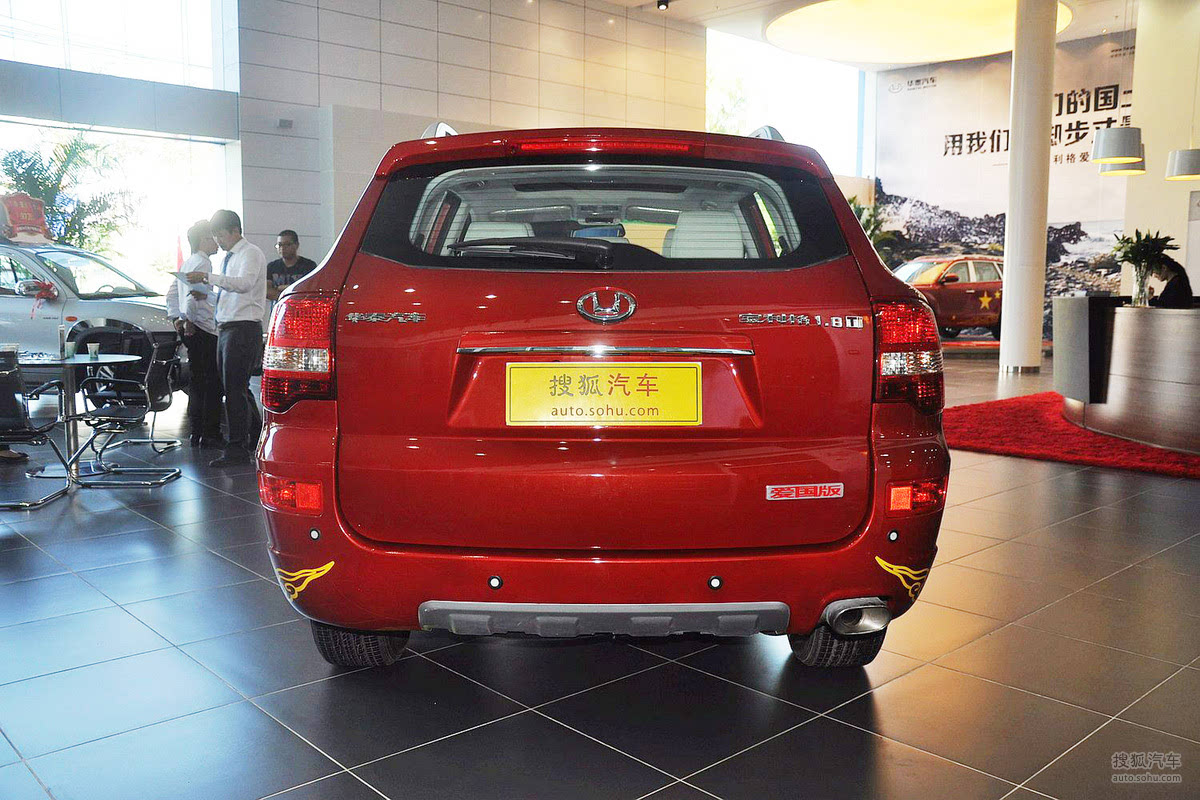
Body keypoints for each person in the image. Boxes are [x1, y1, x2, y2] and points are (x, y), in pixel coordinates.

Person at [186, 210, 266, 467]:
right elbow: (230, 292)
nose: (218, 241)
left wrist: (207, 278)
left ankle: (237, 449)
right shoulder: (229, 258)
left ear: (234, 231)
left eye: (221, 235)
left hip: (243, 328)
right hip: (228, 327)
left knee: (234, 390)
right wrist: (208, 295)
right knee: (235, 388)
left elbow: (244, 284)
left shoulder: (250, 253)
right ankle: (255, 436)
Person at [167, 220, 223, 447]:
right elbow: (194, 296)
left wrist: (177, 319)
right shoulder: (203, 263)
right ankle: (210, 433)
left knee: (197, 381)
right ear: (203, 240)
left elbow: (172, 294)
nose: (217, 242)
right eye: (213, 237)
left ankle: (196, 431)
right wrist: (188, 320)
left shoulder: (188, 262)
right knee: (213, 383)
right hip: (204, 328)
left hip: (191, 329)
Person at [267, 229, 317, 302]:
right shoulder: (272, 266)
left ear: (296, 245)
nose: (282, 248)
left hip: (301, 305)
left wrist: (282, 288)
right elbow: (267, 291)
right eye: (280, 245)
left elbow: (310, 289)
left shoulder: (309, 266)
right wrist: (287, 296)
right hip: (279, 306)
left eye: (287, 244)